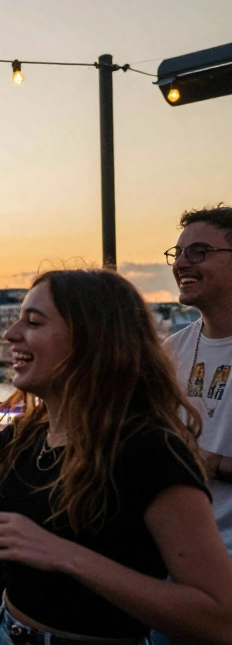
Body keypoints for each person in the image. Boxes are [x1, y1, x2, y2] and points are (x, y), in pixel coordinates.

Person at [0, 268, 232, 644]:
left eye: (33, 322)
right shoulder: (28, 434)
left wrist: (65, 556)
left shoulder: (149, 450)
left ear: (90, 338)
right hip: (7, 631)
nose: (10, 335)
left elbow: (218, 617)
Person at [164, 206, 232, 552]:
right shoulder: (170, 351)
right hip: (177, 551)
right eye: (177, 254)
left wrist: (214, 464)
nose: (180, 264)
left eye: (199, 252)